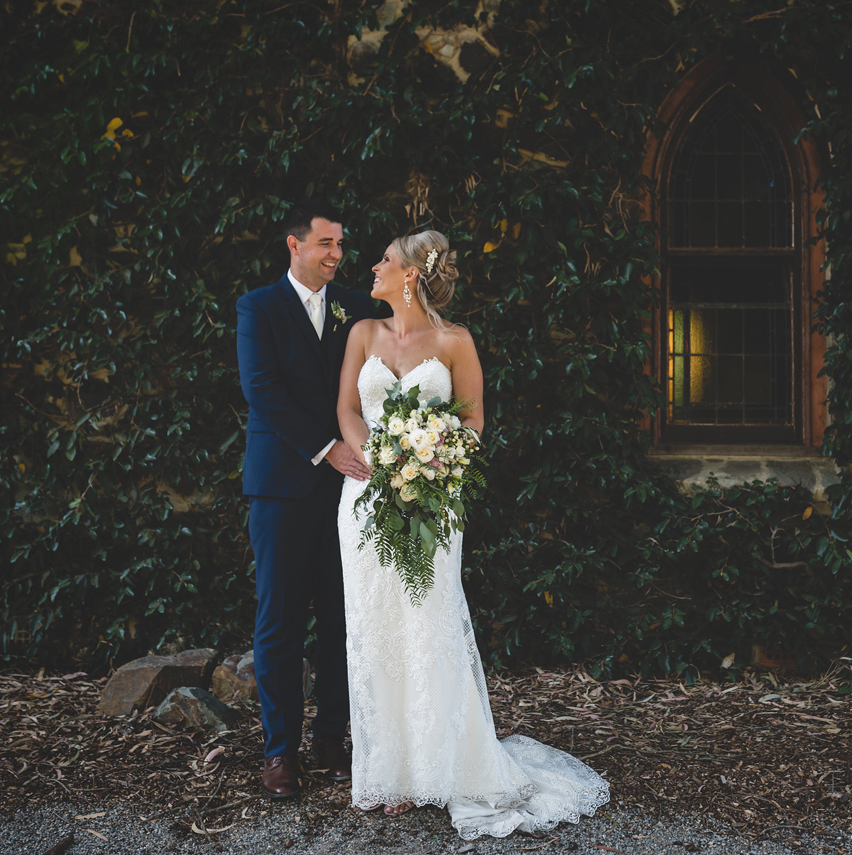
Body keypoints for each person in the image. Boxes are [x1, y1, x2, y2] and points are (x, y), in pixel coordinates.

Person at [335, 230, 610, 840]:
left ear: (409, 275)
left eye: (384, 259)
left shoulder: (456, 342)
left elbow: (473, 419)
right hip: (365, 497)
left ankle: (443, 763)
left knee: (428, 622)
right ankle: (392, 773)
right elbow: (348, 412)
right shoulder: (362, 334)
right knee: (374, 625)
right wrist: (379, 458)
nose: (373, 267)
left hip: (434, 501)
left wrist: (434, 467)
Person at [236, 200, 379, 800]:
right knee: (279, 625)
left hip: (348, 491)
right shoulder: (258, 307)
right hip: (282, 488)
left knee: (343, 621)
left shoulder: (358, 308)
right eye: (325, 244)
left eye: (340, 245)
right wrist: (325, 448)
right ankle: (280, 752)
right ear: (294, 246)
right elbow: (261, 390)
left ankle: (332, 743)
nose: (336, 255)